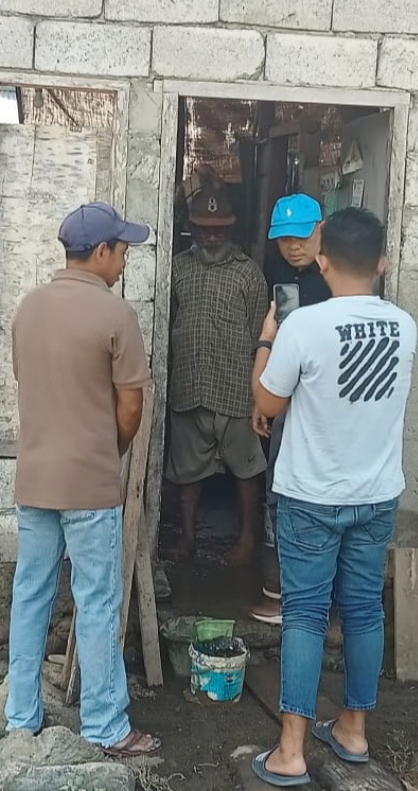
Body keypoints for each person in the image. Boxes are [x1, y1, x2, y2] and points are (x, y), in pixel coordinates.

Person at [250, 208, 417, 787]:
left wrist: (267, 337)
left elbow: (267, 403)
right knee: (365, 610)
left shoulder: (304, 325)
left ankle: (291, 752)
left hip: (311, 496)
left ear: (322, 262)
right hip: (376, 494)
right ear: (382, 263)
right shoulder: (404, 327)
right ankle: (353, 730)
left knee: (305, 614)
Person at [6, 202, 161, 758]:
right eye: (121, 250)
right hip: (89, 484)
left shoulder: (28, 308)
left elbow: (28, 383)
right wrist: (107, 451)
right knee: (96, 599)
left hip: (34, 479)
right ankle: (105, 726)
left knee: (31, 594)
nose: (124, 260)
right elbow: (131, 407)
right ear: (100, 252)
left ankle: (20, 718)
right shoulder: (116, 315)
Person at [166, 171, 268, 566]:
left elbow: (261, 334)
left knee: (246, 468)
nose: (211, 237)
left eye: (219, 230)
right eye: (204, 229)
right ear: (191, 228)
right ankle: (188, 538)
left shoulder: (249, 273)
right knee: (186, 471)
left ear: (231, 229)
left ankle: (247, 539)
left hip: (236, 389)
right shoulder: (177, 269)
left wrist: (260, 390)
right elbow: (168, 322)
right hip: (189, 385)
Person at [251, 194, 331, 626]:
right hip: (285, 394)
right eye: (284, 239)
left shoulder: (336, 277)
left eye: (301, 237)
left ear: (322, 230)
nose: (293, 247)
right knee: (279, 488)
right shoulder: (279, 273)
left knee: (312, 493)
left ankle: (303, 597)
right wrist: (265, 399)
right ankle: (283, 584)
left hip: (324, 401)